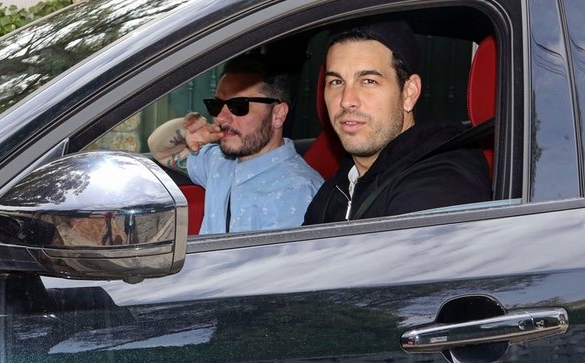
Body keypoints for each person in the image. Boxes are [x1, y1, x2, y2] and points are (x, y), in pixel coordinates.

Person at [303, 21, 491, 224]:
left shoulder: (443, 180)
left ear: (409, 93)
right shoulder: (334, 190)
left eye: (368, 81)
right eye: (336, 82)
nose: (347, 100)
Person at [149, 54, 323, 234]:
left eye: (239, 105)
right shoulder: (221, 161)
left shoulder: (295, 191)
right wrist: (186, 131)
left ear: (278, 114)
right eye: (216, 105)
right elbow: (160, 150)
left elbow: (276, 262)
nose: (220, 118)